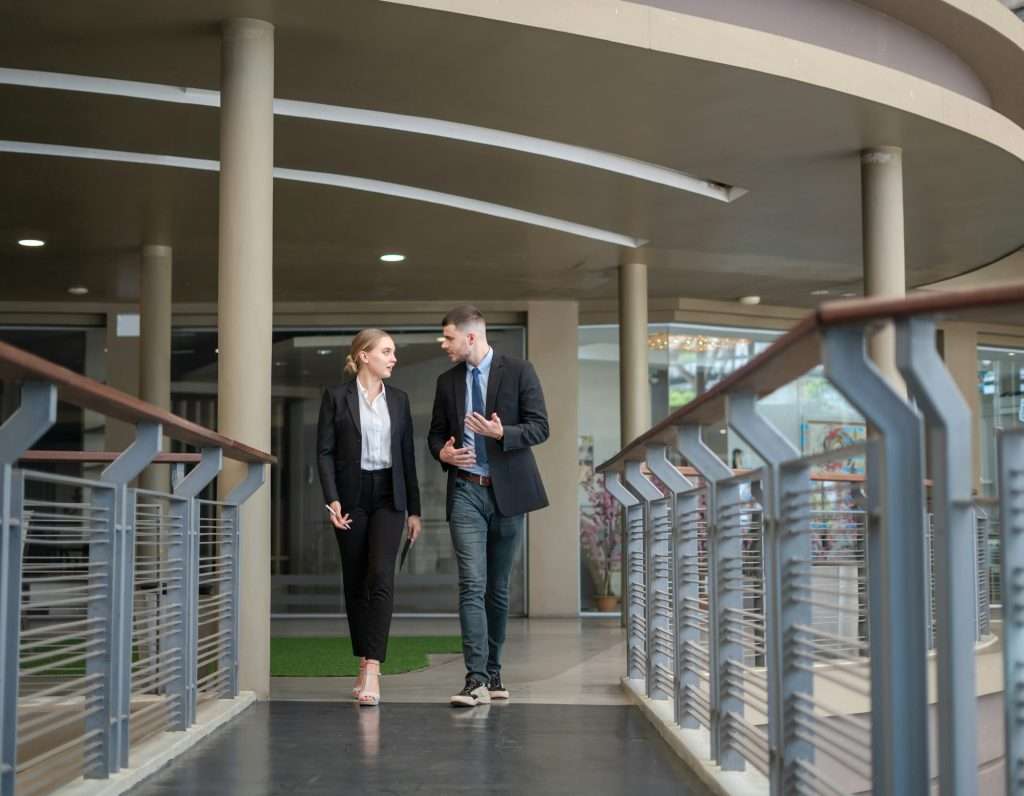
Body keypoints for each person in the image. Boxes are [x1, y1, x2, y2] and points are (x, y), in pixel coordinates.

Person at [428, 305, 550, 707]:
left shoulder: (519, 371)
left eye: (448, 337)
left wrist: (503, 432)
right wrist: (443, 455)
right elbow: (434, 436)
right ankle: (475, 679)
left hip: (508, 494)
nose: (443, 344)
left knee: (497, 590)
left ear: (471, 337)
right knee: (472, 584)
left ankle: (494, 671)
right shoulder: (447, 382)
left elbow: (540, 427)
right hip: (465, 490)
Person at [316, 329, 422, 706]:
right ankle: (363, 660)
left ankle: (374, 667)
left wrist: (415, 510)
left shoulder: (400, 400)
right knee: (356, 582)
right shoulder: (336, 397)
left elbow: (407, 459)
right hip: (351, 496)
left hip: (389, 496)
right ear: (364, 355)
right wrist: (332, 500)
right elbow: (324, 453)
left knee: (381, 575)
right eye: (387, 351)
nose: (393, 358)